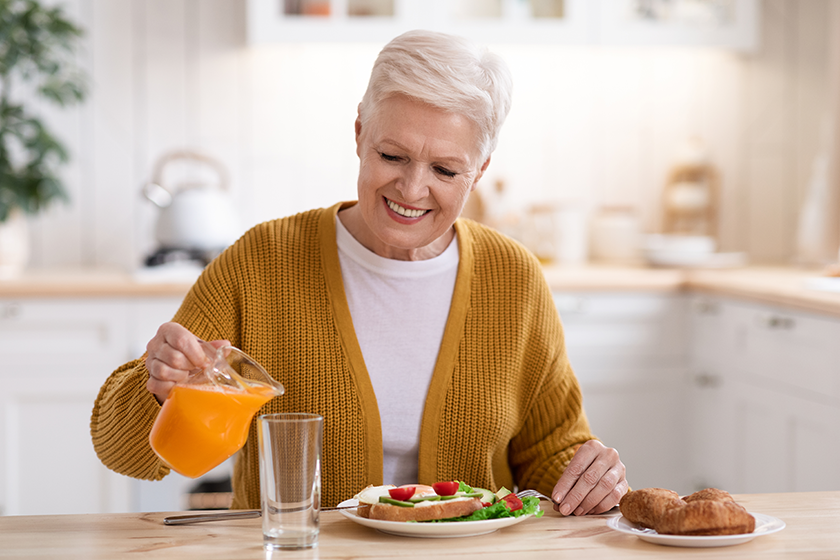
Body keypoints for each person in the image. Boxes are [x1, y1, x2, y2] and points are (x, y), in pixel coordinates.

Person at [91, 29, 628, 515]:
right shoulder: (262, 263)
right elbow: (121, 452)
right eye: (392, 156)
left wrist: (590, 478)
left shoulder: (513, 279)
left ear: (480, 171)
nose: (412, 190)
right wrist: (159, 389)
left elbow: (551, 454)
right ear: (358, 134)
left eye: (444, 169)